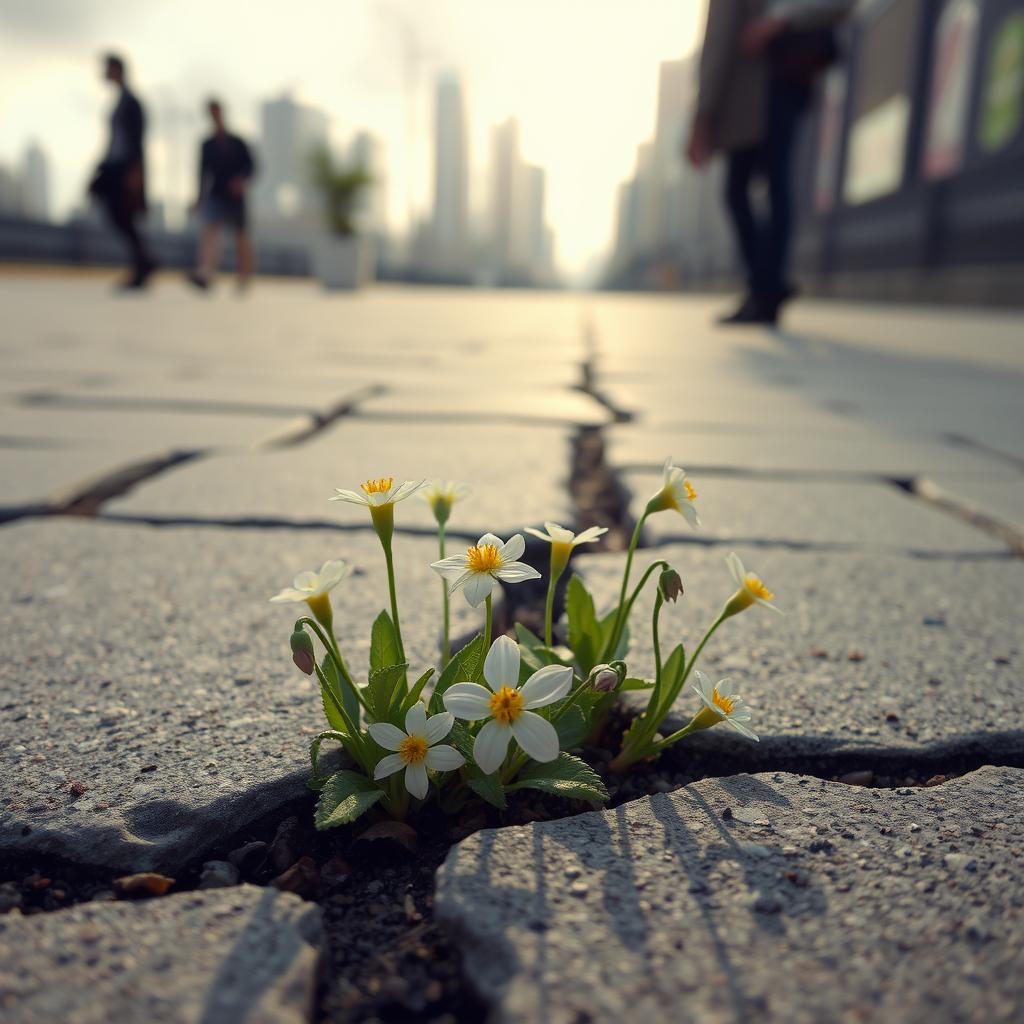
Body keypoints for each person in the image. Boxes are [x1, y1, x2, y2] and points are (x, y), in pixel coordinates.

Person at [687, 1, 852, 325]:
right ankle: (766, 285)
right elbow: (718, 39)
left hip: (777, 82)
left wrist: (780, 18)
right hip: (746, 93)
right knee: (742, 190)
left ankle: (765, 287)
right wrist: (704, 111)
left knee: (770, 183)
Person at [89, 53, 156, 289]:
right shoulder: (120, 101)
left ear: (117, 69)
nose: (104, 72)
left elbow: (136, 139)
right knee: (119, 215)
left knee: (124, 215)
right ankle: (144, 261)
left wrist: (135, 172)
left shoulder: (131, 102)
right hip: (114, 166)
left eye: (107, 68)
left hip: (125, 168)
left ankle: (143, 263)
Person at [187, 99, 256, 291]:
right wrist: (199, 199)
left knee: (240, 236)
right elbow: (202, 174)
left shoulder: (237, 142)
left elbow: (251, 166)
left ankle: (244, 277)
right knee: (210, 231)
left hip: (236, 196)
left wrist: (241, 180)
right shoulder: (207, 144)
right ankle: (206, 274)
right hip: (216, 193)